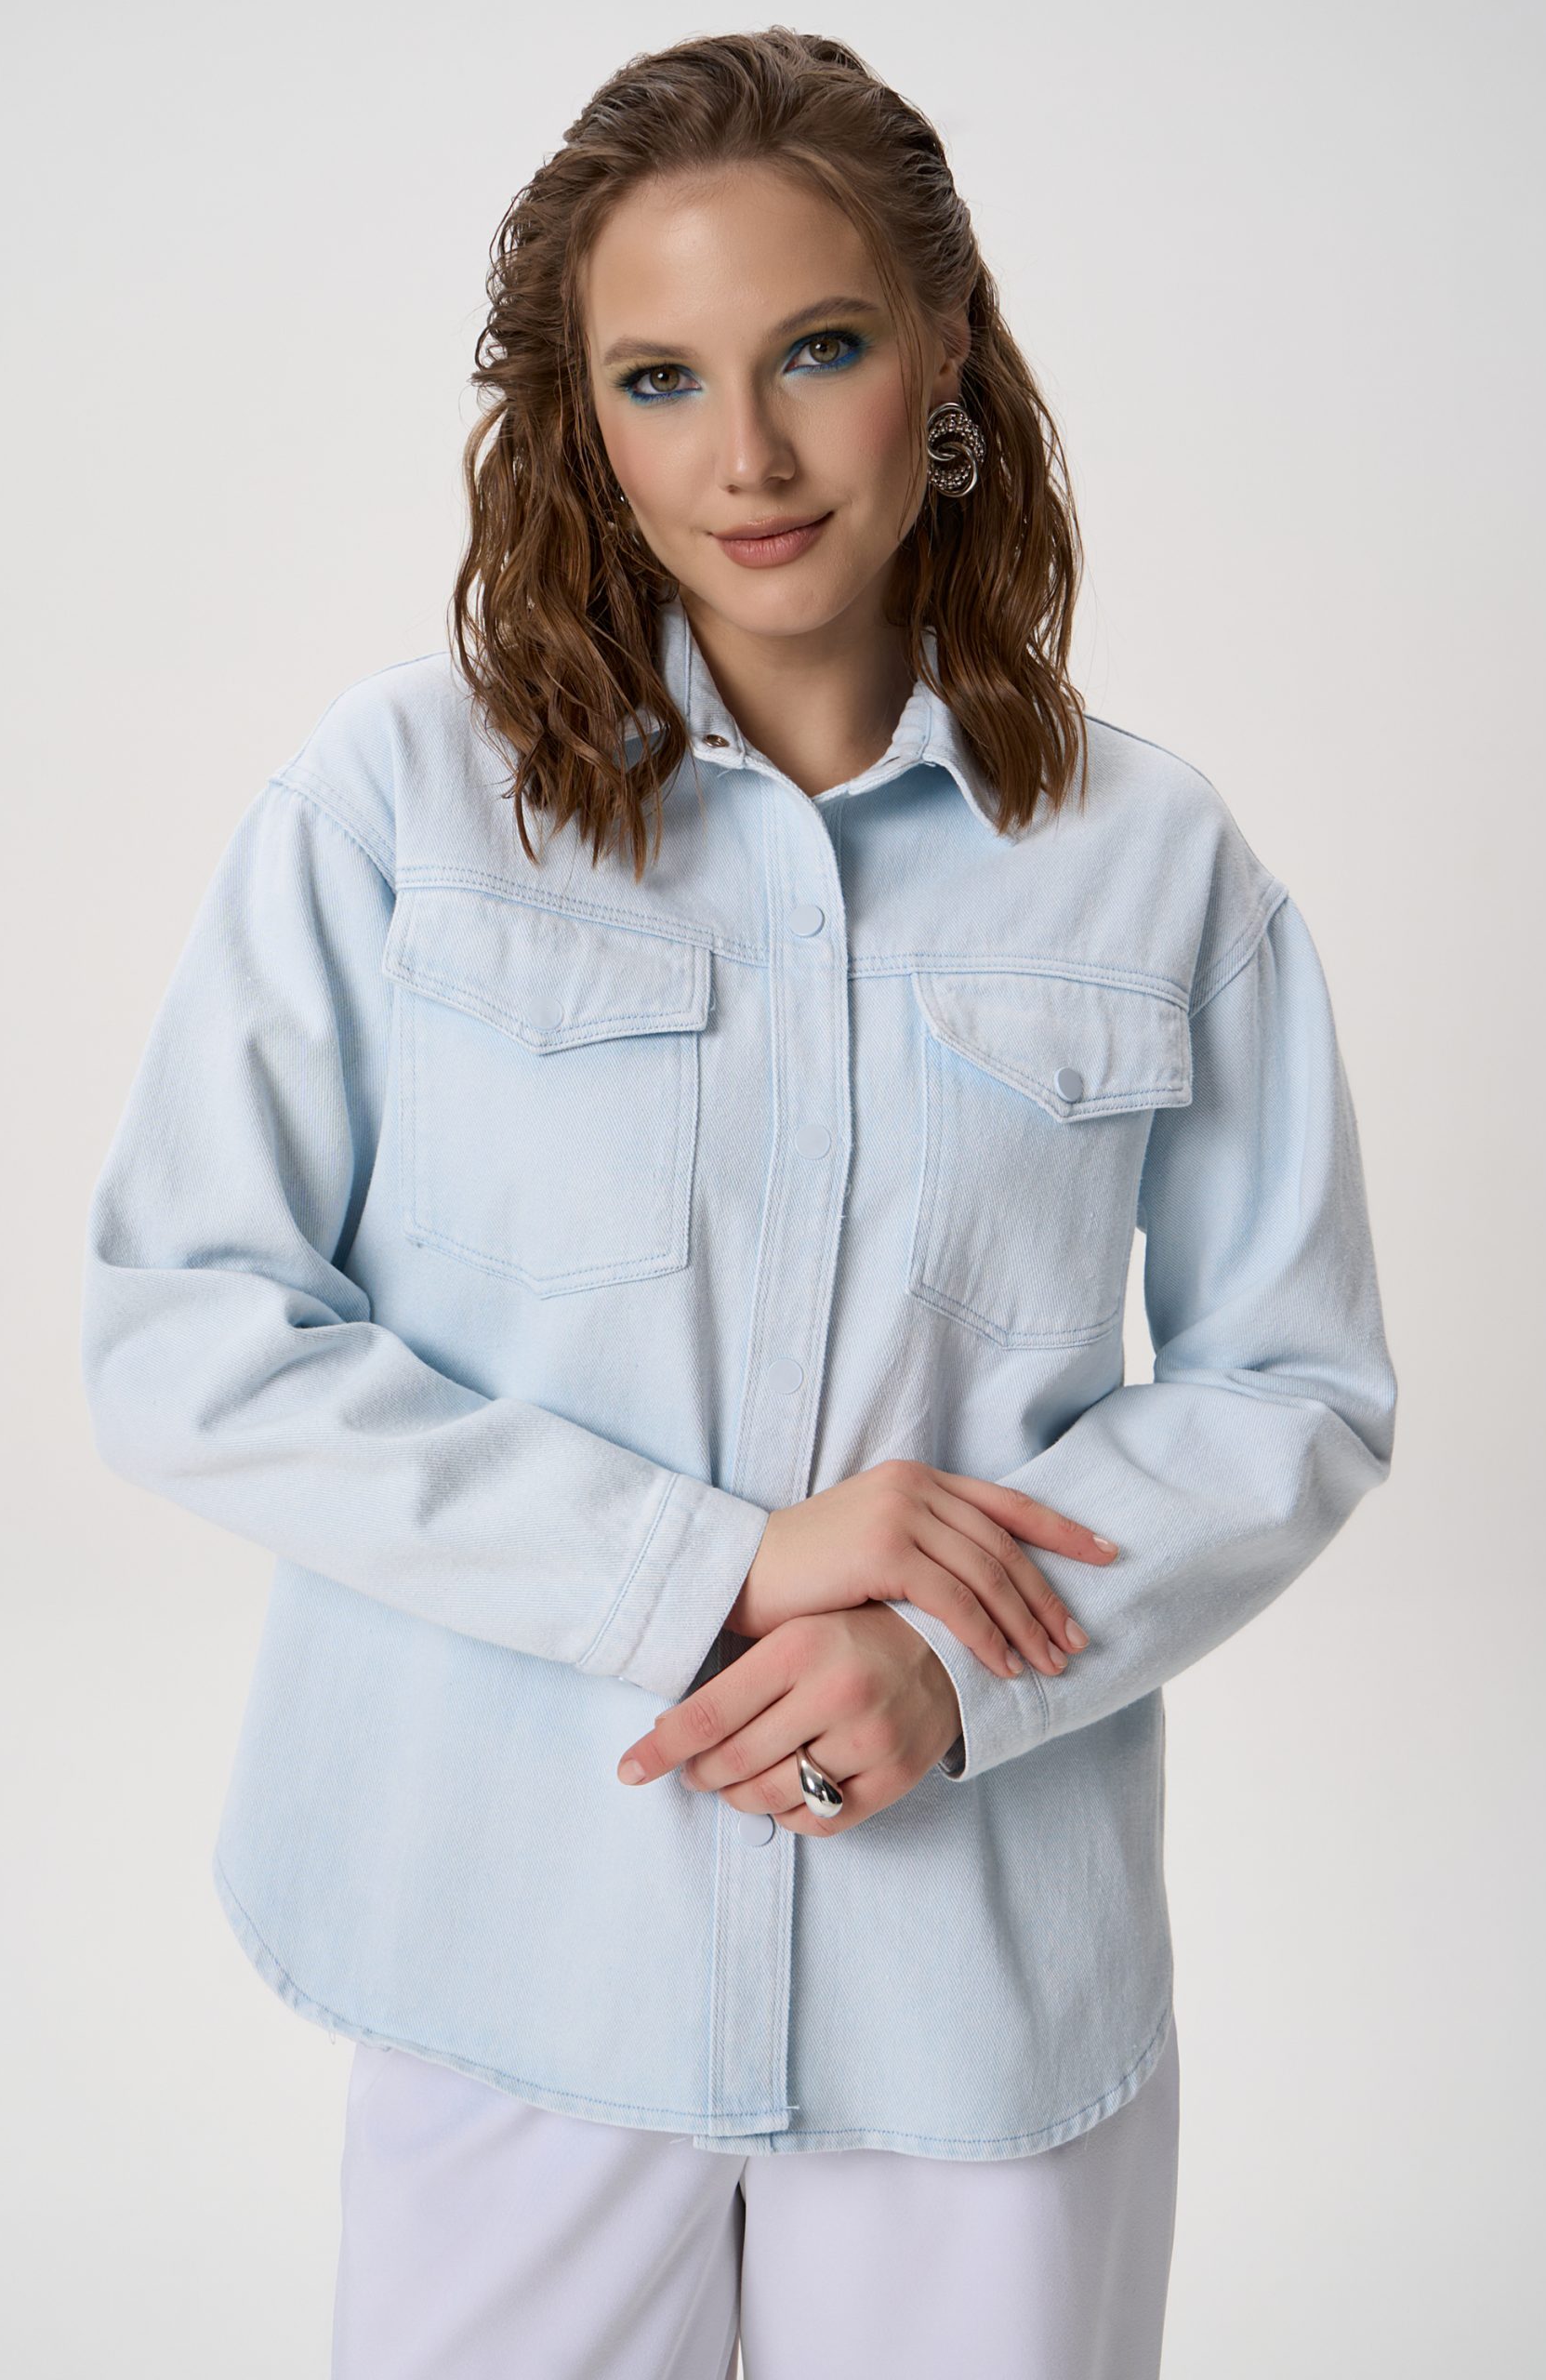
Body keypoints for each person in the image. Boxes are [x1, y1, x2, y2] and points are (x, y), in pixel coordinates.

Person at [79, 27, 1397, 2380]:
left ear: (943, 350)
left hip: (970, 1996)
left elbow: (1288, 1384)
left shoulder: (1151, 862)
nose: (748, 458)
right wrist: (713, 1562)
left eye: (817, 349)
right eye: (659, 378)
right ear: (578, 416)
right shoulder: (400, 804)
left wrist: (962, 1671)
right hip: (508, 1954)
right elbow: (187, 1328)